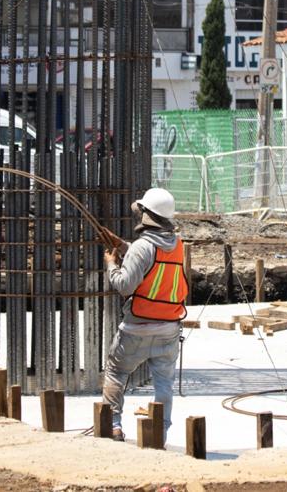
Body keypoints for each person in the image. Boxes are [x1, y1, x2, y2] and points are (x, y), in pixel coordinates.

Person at [102, 187, 187, 443]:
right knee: (164, 384)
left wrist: (112, 265)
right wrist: (124, 246)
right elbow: (152, 259)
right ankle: (159, 433)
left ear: (146, 214)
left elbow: (125, 285)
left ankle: (113, 425)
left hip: (137, 328)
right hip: (169, 329)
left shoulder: (142, 247)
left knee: (116, 372)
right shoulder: (178, 245)